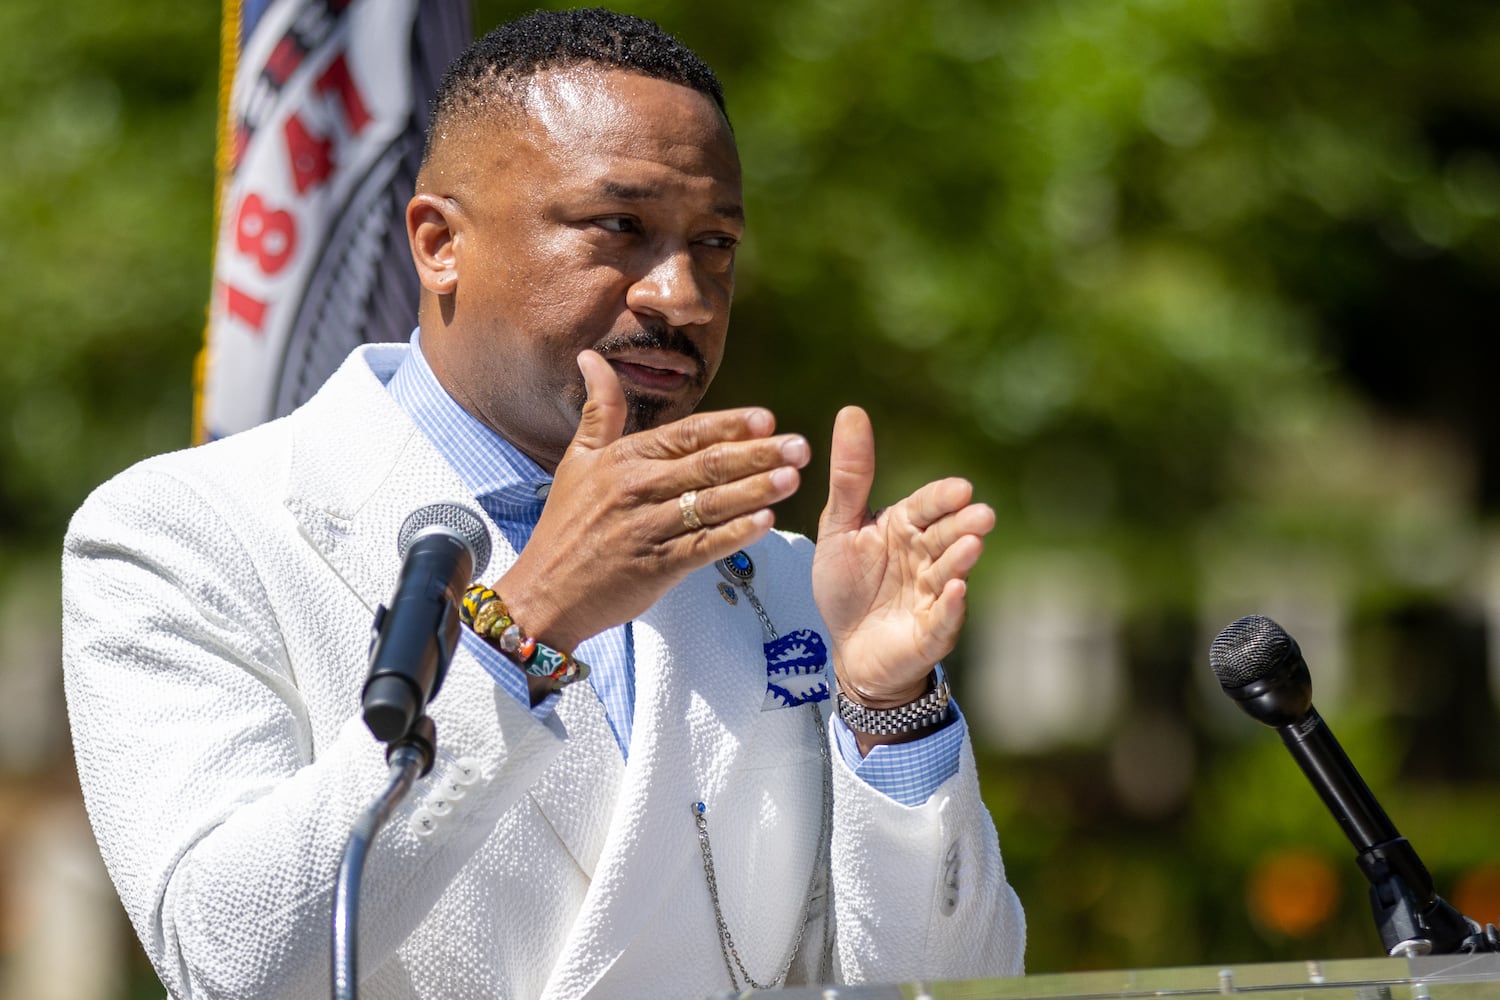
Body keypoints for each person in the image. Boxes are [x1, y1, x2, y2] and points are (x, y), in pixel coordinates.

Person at [62, 8, 1025, 999]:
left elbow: (956, 985)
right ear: (439, 243)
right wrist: (525, 623)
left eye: (716, 243)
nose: (683, 295)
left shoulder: (785, 581)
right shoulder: (183, 533)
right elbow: (231, 955)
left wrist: (891, 713)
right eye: (621, 228)